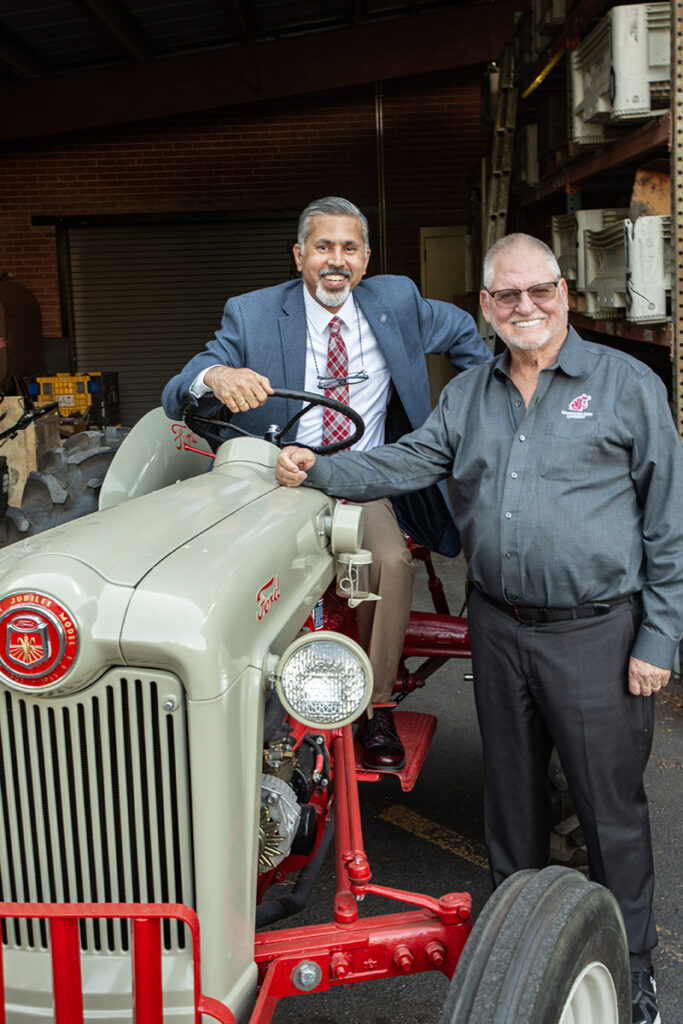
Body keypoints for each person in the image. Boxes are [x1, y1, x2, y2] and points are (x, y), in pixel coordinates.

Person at [275, 232, 683, 1024]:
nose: (524, 307)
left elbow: (668, 521)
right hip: (498, 629)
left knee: (609, 816)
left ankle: (632, 973)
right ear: (485, 307)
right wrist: (315, 466)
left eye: (539, 292)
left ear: (563, 292)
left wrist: (657, 639)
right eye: (506, 296)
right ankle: (516, 963)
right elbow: (404, 461)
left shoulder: (626, 385)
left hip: (596, 633)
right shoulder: (468, 395)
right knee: (511, 806)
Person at [162, 196, 492, 770]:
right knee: (229, 573)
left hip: (361, 477)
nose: (335, 260)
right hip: (274, 480)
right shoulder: (253, 314)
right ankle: (229, 698)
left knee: (389, 561)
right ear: (299, 256)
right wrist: (219, 374)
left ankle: (379, 703)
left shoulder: (398, 302)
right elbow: (178, 390)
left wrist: (482, 409)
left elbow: (464, 331)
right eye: (322, 247)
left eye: (348, 248)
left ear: (365, 258)